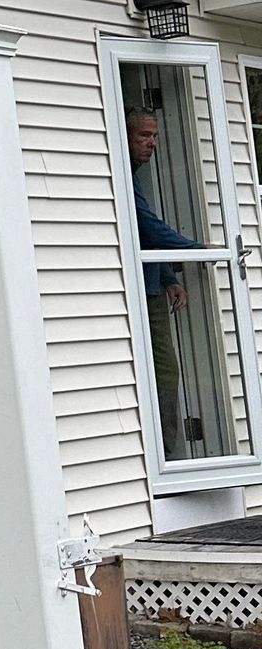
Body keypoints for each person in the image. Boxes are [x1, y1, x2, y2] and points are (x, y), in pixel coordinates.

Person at [125, 105, 200, 457]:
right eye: (144, 135)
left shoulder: (137, 174)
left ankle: (170, 454)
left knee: (166, 369)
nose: (152, 143)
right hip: (137, 290)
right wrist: (198, 249)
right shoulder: (123, 172)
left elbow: (145, 236)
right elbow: (149, 226)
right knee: (161, 371)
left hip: (154, 286)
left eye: (155, 136)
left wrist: (169, 275)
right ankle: (166, 456)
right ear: (125, 135)